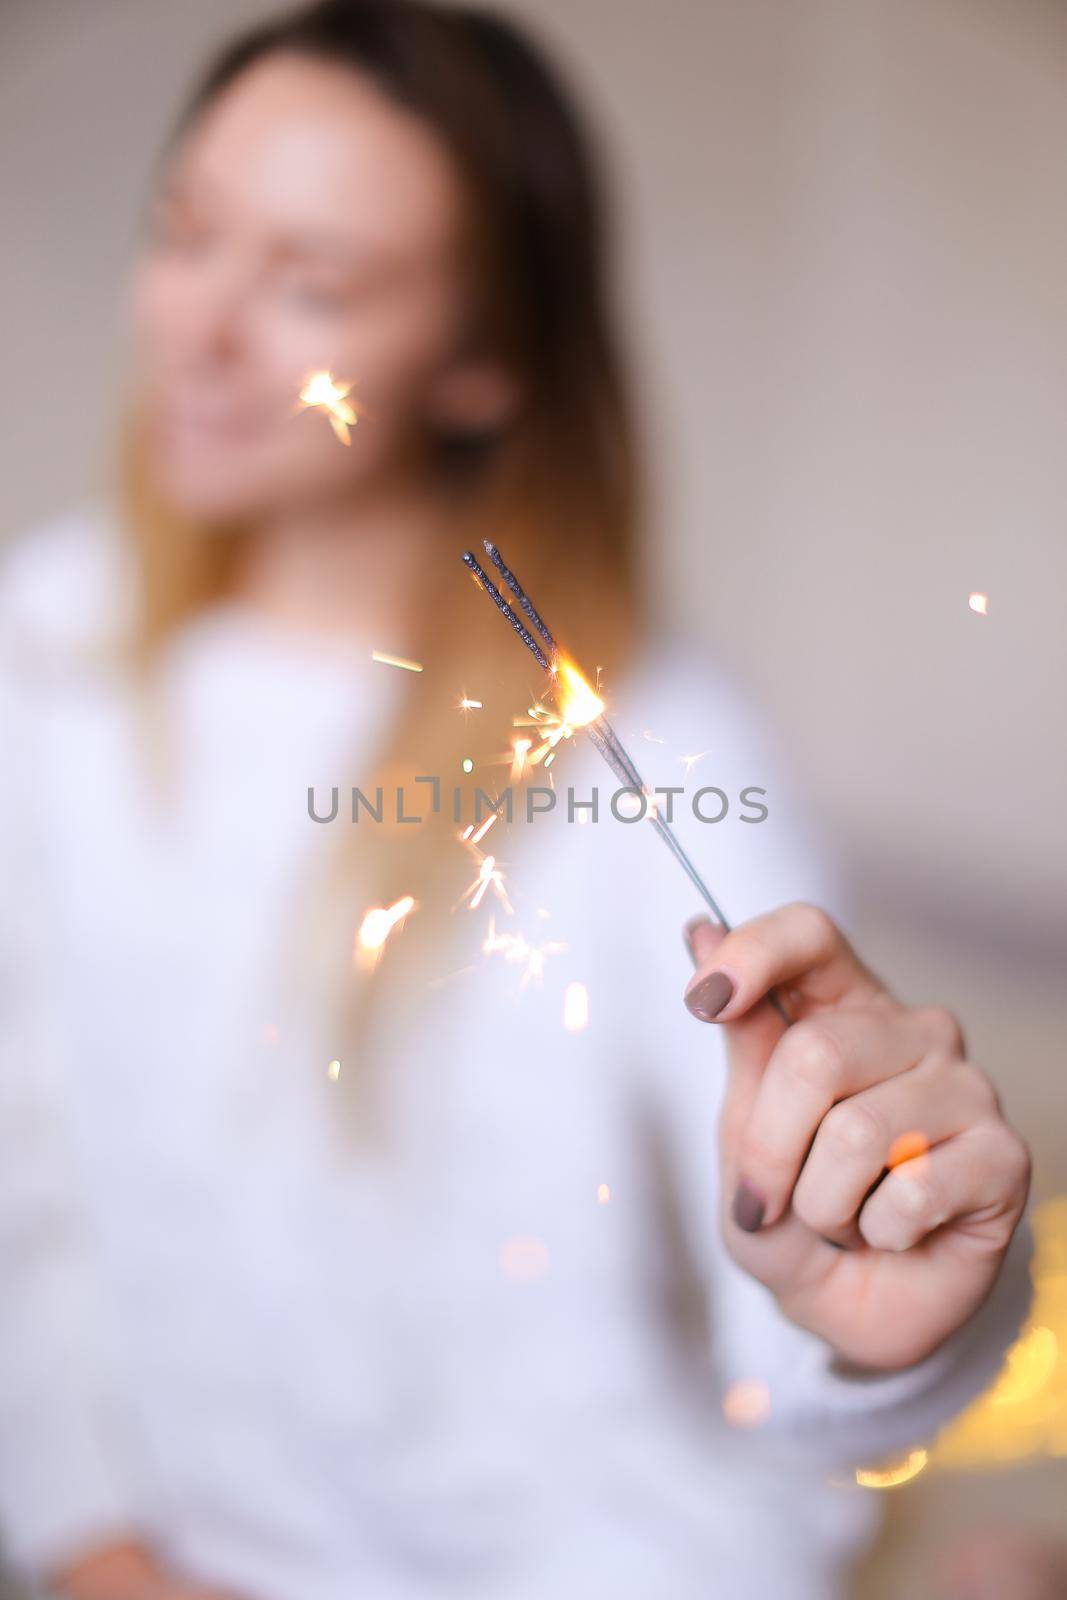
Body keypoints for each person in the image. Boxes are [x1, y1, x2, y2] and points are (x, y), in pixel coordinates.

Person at [0, 3, 1033, 1597]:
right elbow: (34, 1194)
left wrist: (896, 1306)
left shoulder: (659, 750)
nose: (200, 328)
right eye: (184, 234)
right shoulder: (48, 647)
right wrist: (97, 1545)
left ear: (480, 366)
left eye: (312, 283)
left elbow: (802, 1331)